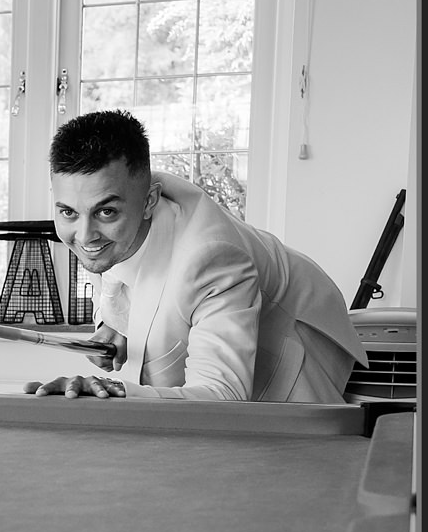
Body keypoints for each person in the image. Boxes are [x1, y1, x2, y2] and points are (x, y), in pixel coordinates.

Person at [25, 109, 367, 402]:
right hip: (225, 304)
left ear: (149, 202)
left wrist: (115, 390)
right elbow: (126, 277)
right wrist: (116, 325)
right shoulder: (107, 223)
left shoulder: (211, 259)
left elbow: (220, 397)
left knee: (279, 458)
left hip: (293, 344)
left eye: (106, 213)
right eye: (68, 213)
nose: (84, 236)